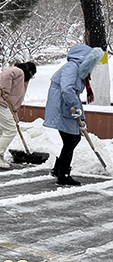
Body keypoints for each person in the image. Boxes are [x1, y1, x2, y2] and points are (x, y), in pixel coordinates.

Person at [43, 44, 104, 186]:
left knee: (71, 139)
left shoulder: (77, 69)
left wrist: (78, 111)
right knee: (71, 139)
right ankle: (63, 175)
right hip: (63, 106)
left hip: (66, 105)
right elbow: (67, 89)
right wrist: (77, 109)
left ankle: (59, 169)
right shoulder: (72, 67)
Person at [0, 62, 37, 169]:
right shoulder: (18, 71)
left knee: (3, 130)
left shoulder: (20, 81)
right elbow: (8, 73)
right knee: (10, 130)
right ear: (30, 72)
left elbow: (13, 103)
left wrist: (15, 118)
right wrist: (5, 91)